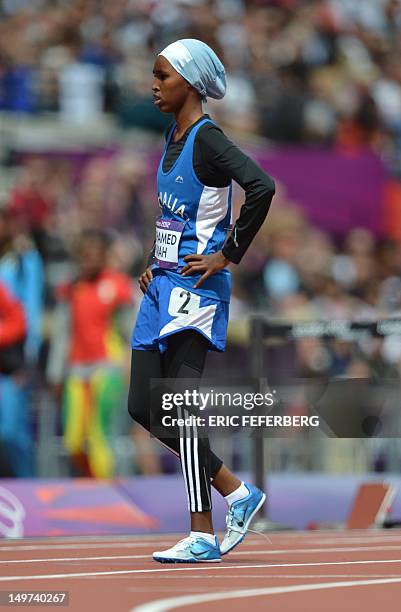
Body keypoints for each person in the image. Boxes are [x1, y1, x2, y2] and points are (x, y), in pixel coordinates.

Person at [128, 38, 275, 563]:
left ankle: (201, 532)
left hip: (196, 290)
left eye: (162, 76)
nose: (154, 85)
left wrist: (227, 255)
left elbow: (261, 187)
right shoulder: (172, 134)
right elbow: (176, 215)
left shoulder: (209, 140)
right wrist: (154, 256)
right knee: (145, 407)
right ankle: (238, 491)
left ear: (190, 83)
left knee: (181, 407)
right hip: (162, 286)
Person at [47, 230, 135, 478]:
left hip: (107, 368)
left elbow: (131, 331)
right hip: (76, 370)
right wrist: (55, 375)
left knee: (99, 434)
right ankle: (92, 482)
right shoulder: (71, 288)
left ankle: (107, 491)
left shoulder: (118, 286)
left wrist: (130, 363)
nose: (89, 259)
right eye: (84, 254)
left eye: (94, 254)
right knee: (73, 440)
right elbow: (62, 334)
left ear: (104, 255)